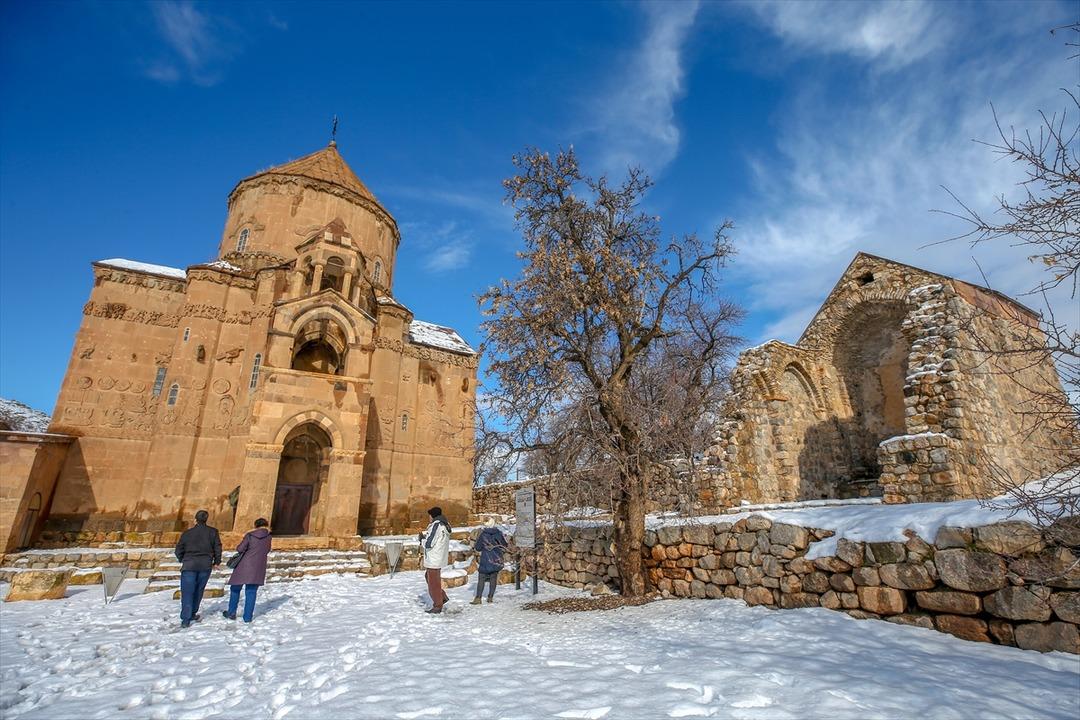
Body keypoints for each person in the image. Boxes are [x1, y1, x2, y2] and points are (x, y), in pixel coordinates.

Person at [174, 509, 222, 628]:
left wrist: (182, 559)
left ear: (195, 520)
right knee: (198, 590)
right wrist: (217, 561)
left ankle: (186, 618)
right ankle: (193, 612)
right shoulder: (213, 532)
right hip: (205, 565)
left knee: (187, 592)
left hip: (189, 565)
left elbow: (178, 549)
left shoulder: (187, 533)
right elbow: (217, 547)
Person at [222, 517, 272, 623]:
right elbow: (267, 550)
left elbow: (240, 549)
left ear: (256, 525)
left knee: (235, 588)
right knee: (251, 592)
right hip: (258, 566)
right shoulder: (268, 537)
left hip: (244, 565)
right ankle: (247, 617)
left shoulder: (250, 535)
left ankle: (231, 612)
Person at [418, 506, 451, 614]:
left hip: (434, 558)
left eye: (429, 515)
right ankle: (442, 597)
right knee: (429, 577)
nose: (429, 518)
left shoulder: (436, 525)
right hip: (438, 557)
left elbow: (429, 543)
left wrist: (422, 539)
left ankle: (437, 605)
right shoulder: (445, 525)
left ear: (433, 515)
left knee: (433, 583)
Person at [470, 518, 507, 605]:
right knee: (493, 577)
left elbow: (478, 547)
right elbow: (504, 545)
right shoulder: (498, 533)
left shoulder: (483, 534)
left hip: (486, 559)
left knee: (481, 578)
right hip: (496, 559)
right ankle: (490, 597)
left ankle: (478, 598)